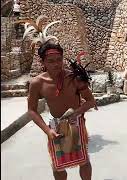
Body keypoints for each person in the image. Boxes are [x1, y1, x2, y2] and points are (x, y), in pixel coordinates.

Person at [26, 18, 95, 180]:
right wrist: (47, 130)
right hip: (54, 126)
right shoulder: (37, 83)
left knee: (84, 161)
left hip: (76, 123)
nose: (56, 64)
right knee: (58, 166)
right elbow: (31, 110)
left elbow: (91, 101)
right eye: (51, 61)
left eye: (59, 60)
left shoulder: (74, 78)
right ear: (43, 62)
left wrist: (77, 112)